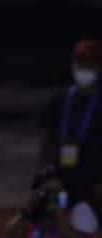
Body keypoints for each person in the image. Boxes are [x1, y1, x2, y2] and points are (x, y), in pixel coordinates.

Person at [39, 39, 102, 208]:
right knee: (34, 215)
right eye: (81, 63)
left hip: (93, 181)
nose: (85, 69)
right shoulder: (58, 100)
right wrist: (47, 175)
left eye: (90, 64)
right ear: (73, 65)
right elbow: (48, 141)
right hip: (61, 178)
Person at [5, 166, 98, 238]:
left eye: (57, 193)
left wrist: (58, 213)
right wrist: (26, 210)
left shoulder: (75, 212)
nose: (53, 197)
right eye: (48, 192)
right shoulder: (32, 213)